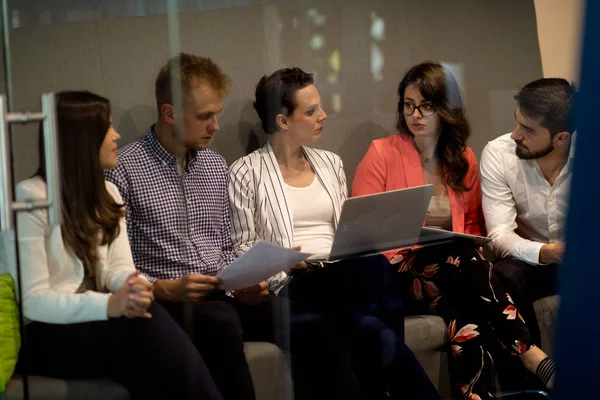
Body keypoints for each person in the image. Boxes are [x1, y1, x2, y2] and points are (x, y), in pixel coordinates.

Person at [105, 53, 361, 400]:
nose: (216, 127)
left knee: (314, 324)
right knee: (220, 323)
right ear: (169, 114)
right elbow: (116, 265)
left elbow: (226, 247)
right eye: (204, 116)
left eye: (217, 115)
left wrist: (245, 281)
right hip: (170, 297)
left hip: (223, 291)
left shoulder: (213, 166)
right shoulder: (125, 171)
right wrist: (164, 288)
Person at [229, 67, 441, 400]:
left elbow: (346, 227)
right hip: (293, 280)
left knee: (371, 288)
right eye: (311, 111)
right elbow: (241, 245)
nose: (323, 116)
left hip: (341, 272)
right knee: (366, 296)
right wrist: (283, 261)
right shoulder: (245, 172)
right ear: (283, 121)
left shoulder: (330, 163)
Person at [352, 62, 556, 400]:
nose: (414, 114)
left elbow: (474, 227)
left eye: (426, 105)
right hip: (394, 274)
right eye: (408, 105)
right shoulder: (381, 152)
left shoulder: (463, 157)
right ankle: (528, 352)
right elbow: (362, 229)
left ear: (446, 109)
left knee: (465, 317)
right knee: (459, 259)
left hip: (450, 277)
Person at [9, 91, 221, 400]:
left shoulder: (108, 191)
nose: (116, 135)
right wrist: (110, 305)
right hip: (45, 331)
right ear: (82, 138)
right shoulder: (30, 198)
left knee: (149, 334)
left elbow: (118, 269)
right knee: (144, 331)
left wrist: (131, 287)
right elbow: (34, 301)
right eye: (108, 128)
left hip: (97, 320)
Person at [480, 78, 574, 348]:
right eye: (517, 121)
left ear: (561, 137)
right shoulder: (499, 154)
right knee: (502, 275)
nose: (514, 135)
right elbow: (499, 236)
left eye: (528, 129)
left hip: (587, 260)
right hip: (538, 263)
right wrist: (549, 252)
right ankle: (533, 378)